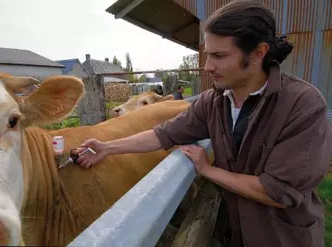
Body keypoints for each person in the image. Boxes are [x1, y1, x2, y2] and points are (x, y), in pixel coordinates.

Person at [73, 1, 332, 246]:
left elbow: (278, 191)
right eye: (208, 55)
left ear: (258, 54)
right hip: (232, 231)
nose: (208, 66)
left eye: (219, 56)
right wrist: (107, 147)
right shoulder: (213, 102)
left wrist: (208, 170)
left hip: (281, 237)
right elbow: (164, 135)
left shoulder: (303, 105)